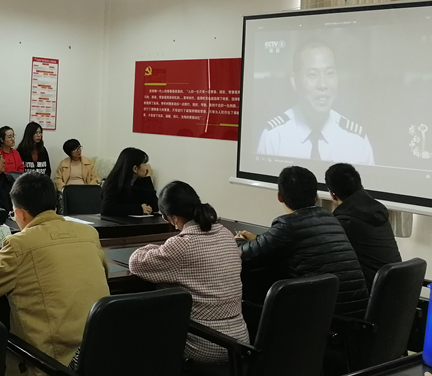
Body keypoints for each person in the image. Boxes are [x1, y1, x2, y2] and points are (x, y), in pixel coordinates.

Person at [0, 173, 109, 373]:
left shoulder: (20, 244)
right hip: (96, 355)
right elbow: (104, 273)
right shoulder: (89, 234)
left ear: (20, 214)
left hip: (48, 363)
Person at [129, 181, 248, 362]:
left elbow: (136, 263)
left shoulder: (182, 245)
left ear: (174, 218)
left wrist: (154, 247)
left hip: (205, 343)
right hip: (239, 342)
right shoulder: (226, 234)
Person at [236, 165, 368, 316]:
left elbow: (243, 254)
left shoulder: (288, 225)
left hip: (325, 318)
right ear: (316, 197)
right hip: (355, 313)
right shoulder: (331, 218)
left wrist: (239, 241)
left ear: (280, 197)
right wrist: (258, 239)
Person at [257, 40, 374, 165]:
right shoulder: (275, 137)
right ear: (294, 81)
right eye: (312, 75)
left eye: (330, 74)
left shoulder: (355, 140)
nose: (323, 85)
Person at [325, 163, 401, 288]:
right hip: (395, 289)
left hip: (369, 292)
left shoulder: (345, 221)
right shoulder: (378, 211)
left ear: (333, 194)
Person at [100, 147, 158, 216]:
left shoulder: (141, 182)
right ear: (135, 169)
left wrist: (147, 179)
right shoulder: (115, 183)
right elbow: (106, 208)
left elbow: (155, 206)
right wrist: (139, 209)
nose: (147, 167)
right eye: (144, 164)